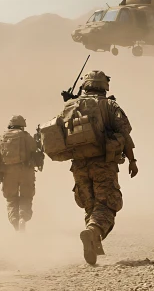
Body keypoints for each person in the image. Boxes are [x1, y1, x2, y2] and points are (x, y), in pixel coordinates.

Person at [50, 70, 137, 265]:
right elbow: (125, 134)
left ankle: (95, 243)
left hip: (79, 165)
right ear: (104, 86)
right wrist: (132, 160)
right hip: (103, 163)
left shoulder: (69, 107)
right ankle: (93, 232)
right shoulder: (110, 105)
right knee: (106, 204)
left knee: (90, 205)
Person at [0, 115, 43, 231]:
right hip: (26, 172)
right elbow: (36, 151)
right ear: (22, 125)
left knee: (11, 199)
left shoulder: (3, 137)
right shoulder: (26, 136)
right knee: (26, 198)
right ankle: (23, 218)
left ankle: (15, 224)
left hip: (8, 173)